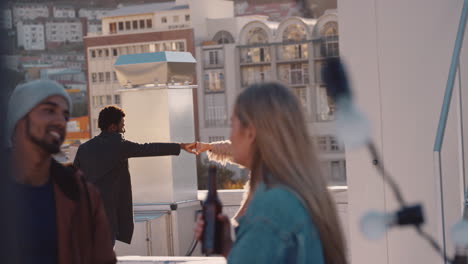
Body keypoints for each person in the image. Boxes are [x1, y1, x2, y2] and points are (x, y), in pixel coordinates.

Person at [195, 82, 347, 263]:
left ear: (250, 132)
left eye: (232, 124)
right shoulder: (301, 192)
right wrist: (227, 245)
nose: (230, 136)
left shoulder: (270, 209)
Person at [4, 80, 116, 264]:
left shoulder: (81, 194)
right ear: (19, 120)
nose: (60, 121)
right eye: (49, 110)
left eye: (65, 115)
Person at [74, 105, 197, 245]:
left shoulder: (83, 149)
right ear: (113, 127)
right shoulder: (119, 146)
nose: (123, 130)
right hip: (109, 217)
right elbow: (149, 148)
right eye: (122, 126)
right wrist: (179, 146)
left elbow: (73, 182)